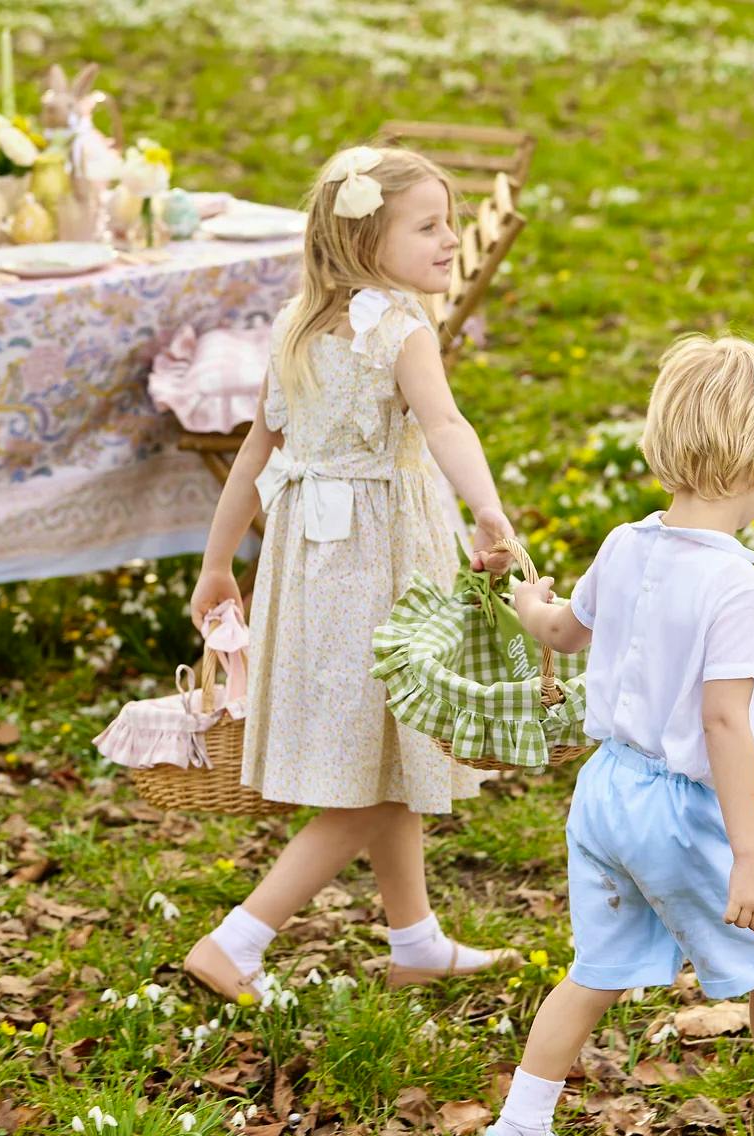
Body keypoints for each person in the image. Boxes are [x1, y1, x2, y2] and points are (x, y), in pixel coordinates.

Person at [474, 334, 754, 1136]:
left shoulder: (624, 544)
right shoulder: (737, 585)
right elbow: (723, 723)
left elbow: (562, 630)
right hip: (680, 809)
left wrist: (524, 599)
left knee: (596, 969)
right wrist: (750, 855)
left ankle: (519, 1128)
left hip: (605, 791)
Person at [185, 145, 521, 1000]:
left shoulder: (297, 322)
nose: (451, 240)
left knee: (389, 751)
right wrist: (487, 509)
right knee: (374, 778)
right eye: (429, 226)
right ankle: (236, 940)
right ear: (367, 241)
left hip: (312, 567)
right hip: (381, 568)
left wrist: (220, 561)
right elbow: (446, 426)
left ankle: (415, 940)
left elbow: (256, 451)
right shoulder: (403, 331)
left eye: (450, 223)